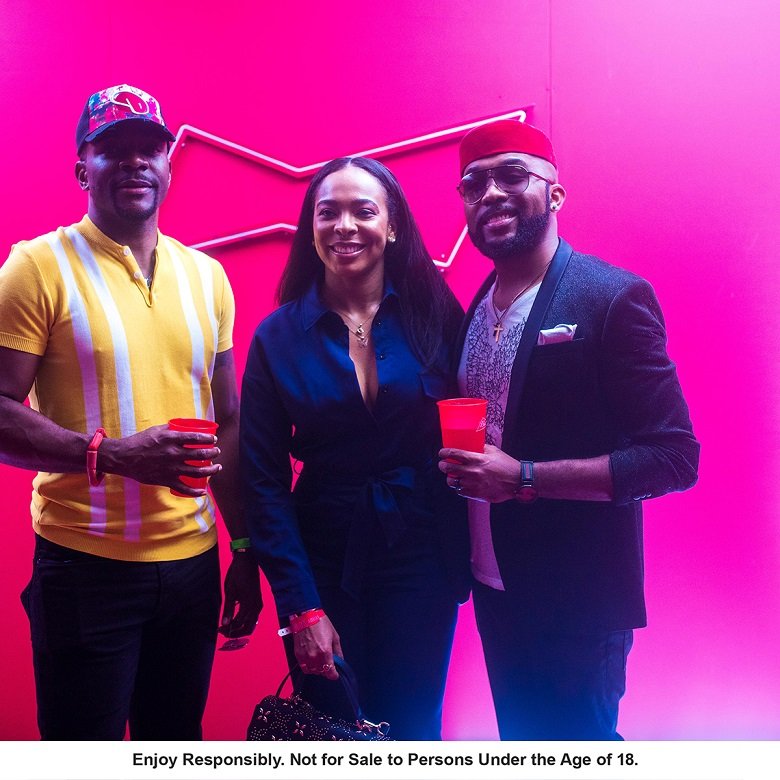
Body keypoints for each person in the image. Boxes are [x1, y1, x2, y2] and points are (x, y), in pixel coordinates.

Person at [0, 84, 262, 740]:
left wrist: (243, 545)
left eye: (150, 147)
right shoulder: (36, 267)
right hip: (85, 569)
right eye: (113, 149)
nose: (135, 161)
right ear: (82, 169)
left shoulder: (207, 276)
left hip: (194, 566)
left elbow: (227, 418)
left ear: (169, 165)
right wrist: (112, 455)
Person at [438, 119, 699, 740]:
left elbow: (673, 457)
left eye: (512, 176)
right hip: (495, 586)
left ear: (555, 194)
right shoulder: (476, 307)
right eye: (474, 184)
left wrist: (524, 478)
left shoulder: (612, 297)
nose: (491, 193)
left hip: (580, 599)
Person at [240, 156, 469, 740]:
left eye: (363, 211)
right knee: (334, 732)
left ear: (391, 227)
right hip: (321, 561)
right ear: (311, 228)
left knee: (414, 730)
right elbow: (263, 482)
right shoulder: (276, 337)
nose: (344, 226)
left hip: (421, 554)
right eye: (328, 213)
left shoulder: (437, 315)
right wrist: (301, 607)